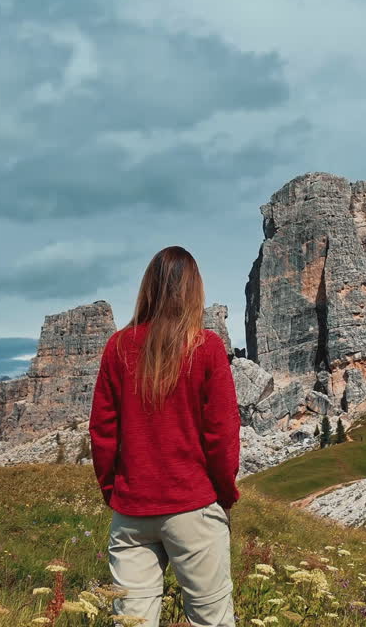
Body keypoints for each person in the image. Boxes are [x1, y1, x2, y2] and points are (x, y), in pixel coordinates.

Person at [88, 246, 241, 627]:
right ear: (194, 290)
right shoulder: (206, 347)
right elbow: (222, 433)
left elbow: (102, 432)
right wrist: (223, 494)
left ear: (148, 288)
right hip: (192, 506)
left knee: (132, 621)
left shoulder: (118, 347)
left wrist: (114, 492)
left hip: (132, 510)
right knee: (212, 620)